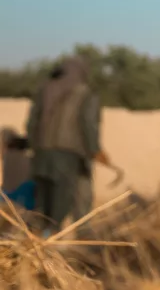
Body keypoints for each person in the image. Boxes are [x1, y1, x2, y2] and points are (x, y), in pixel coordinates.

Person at [22, 57, 106, 230]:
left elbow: (32, 122)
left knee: (42, 198)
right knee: (62, 199)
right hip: (68, 154)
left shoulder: (44, 89)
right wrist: (95, 149)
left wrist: (34, 145)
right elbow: (88, 124)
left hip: (42, 152)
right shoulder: (85, 93)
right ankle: (51, 237)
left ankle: (34, 239)